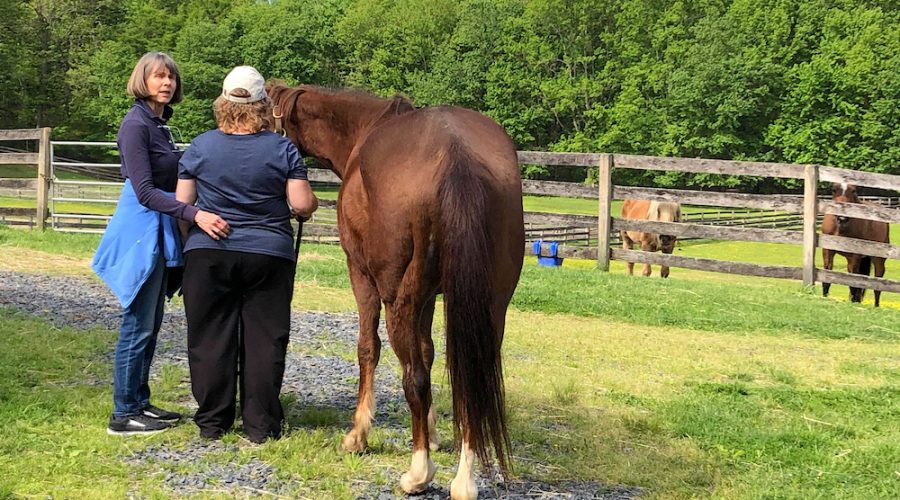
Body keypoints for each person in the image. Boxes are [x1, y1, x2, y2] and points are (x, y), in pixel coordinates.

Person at [176, 66, 318, 443]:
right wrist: (310, 201)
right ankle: (260, 426)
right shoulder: (283, 148)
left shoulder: (200, 146)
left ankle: (212, 422)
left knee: (208, 337)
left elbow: (182, 205)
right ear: (264, 105)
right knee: (265, 339)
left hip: (208, 253)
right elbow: (301, 204)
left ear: (222, 103)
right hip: (268, 254)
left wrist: (193, 240)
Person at [92, 52, 230, 436]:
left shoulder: (159, 125)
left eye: (170, 77)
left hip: (159, 228)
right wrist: (195, 215)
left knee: (150, 323)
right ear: (143, 81)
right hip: (141, 230)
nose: (166, 83)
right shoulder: (135, 126)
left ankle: (139, 401)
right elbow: (146, 192)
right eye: (158, 77)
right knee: (137, 324)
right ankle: (123, 413)